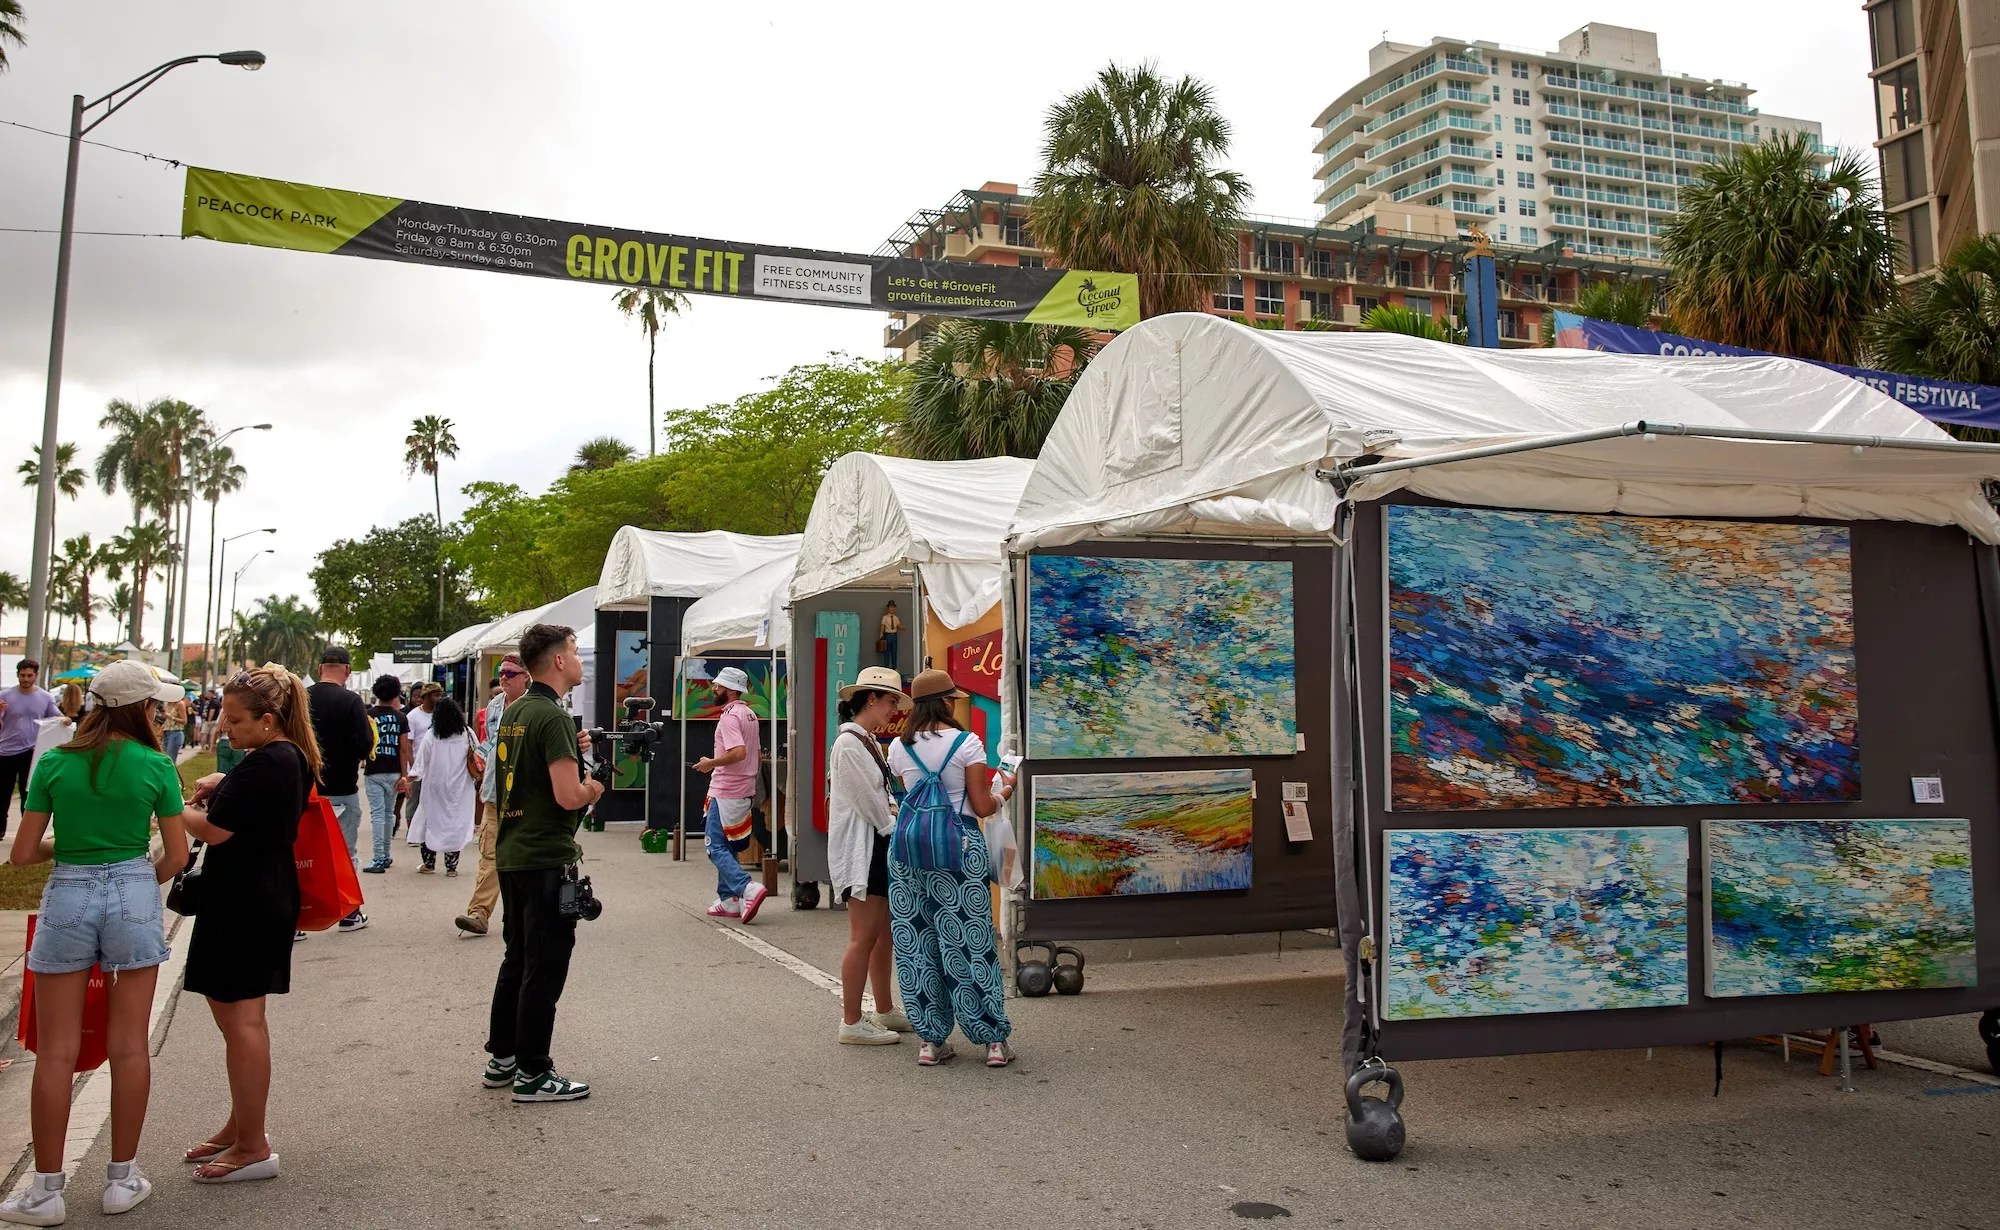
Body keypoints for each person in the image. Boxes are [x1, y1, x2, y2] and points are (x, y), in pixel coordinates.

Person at [0, 661, 190, 1224]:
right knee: (129, 1044)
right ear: (141, 708)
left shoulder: (55, 762)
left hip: (68, 896)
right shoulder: (157, 764)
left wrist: (71, 847)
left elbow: (22, 853)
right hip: (133, 890)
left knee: (55, 1050)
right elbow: (176, 858)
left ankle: (45, 1190)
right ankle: (121, 1179)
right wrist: (131, 876)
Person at [177, 664, 319, 1185]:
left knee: (242, 1022)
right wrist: (225, 778)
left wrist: (168, 805)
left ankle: (252, 1143)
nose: (225, 728)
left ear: (268, 719)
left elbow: (214, 830)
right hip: (253, 895)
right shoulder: (278, 756)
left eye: (235, 720)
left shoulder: (272, 762)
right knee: (236, 1021)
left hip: (248, 900)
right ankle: (241, 1125)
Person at [486, 623, 601, 1103]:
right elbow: (568, 793)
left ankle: (504, 1057)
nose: (578, 660)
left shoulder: (517, 711)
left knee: (518, 956)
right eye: (574, 651)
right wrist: (595, 788)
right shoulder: (552, 716)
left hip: (514, 853)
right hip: (545, 855)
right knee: (546, 964)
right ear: (557, 660)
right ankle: (534, 1071)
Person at [886, 669, 1016, 1068]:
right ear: (944, 702)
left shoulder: (897, 746)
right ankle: (993, 1041)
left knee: (918, 944)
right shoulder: (967, 743)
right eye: (953, 700)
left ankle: (930, 1040)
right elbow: (981, 806)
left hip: (908, 854)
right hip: (959, 850)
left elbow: (906, 795)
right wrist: (1005, 787)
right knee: (970, 943)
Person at [828, 666, 913, 1046]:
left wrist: (890, 816)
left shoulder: (865, 742)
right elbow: (868, 799)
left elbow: (879, 795)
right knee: (864, 936)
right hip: (865, 847)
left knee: (881, 935)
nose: (895, 708)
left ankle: (883, 1008)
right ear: (871, 699)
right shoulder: (850, 744)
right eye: (892, 701)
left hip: (874, 843)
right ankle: (851, 1021)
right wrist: (893, 826)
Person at [692, 666, 770, 922]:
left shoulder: (729, 717)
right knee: (729, 842)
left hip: (726, 788)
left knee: (714, 846)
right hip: (743, 789)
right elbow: (755, 755)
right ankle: (728, 899)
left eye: (719, 685)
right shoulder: (749, 714)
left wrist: (709, 763)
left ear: (730, 689)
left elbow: (738, 752)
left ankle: (746, 887)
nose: (714, 688)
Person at [457, 655, 526, 936]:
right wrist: (477, 757)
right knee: (489, 855)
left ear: (526, 676)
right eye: (501, 673)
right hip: (495, 793)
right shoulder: (496, 705)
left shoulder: (538, 706)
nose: (504, 678)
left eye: (510, 673)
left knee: (524, 859)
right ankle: (479, 913)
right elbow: (490, 741)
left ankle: (525, 917)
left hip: (525, 796)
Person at [306, 647, 374, 880]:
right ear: (347, 670)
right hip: (343, 789)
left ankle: (308, 908)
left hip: (305, 790)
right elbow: (365, 744)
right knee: (344, 853)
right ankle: (348, 909)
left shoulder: (301, 698)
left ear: (319, 669)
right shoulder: (352, 701)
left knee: (307, 855)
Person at [413, 697, 476, 876]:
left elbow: (420, 764)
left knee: (430, 823)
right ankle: (451, 867)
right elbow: (479, 755)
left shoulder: (432, 734)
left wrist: (410, 778)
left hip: (434, 787)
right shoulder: (467, 733)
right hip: (460, 788)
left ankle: (429, 864)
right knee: (455, 825)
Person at [0, 660, 61, 841]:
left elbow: (56, 717)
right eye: (22, 675)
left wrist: (64, 720)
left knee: (28, 792)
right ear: (18, 675)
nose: (25, 679)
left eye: (29, 675)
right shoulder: (5, 696)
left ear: (35, 675)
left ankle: (25, 832)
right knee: (2, 792)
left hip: (31, 752)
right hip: (5, 751)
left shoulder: (45, 697)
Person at [361, 676, 411, 877]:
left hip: (374, 770)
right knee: (389, 814)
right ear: (395, 694)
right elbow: (404, 749)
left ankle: (378, 856)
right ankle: (386, 854)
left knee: (378, 815)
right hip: (393, 771)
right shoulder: (400, 718)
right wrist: (404, 776)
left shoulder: (368, 716)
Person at [403, 683, 439, 851]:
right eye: (434, 695)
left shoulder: (440, 715)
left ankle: (429, 833)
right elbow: (408, 744)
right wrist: (412, 767)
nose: (438, 698)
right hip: (419, 766)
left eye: (440, 694)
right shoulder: (413, 716)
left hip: (436, 768)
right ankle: (412, 833)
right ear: (425, 697)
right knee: (414, 801)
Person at [879, 601, 903, 667]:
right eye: (891, 607)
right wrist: (881, 634)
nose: (892, 609)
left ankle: (894, 667)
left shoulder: (896, 618)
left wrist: (902, 627)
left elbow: (898, 625)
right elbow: (882, 626)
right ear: (888, 608)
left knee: (894, 651)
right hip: (887, 635)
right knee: (887, 651)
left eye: (893, 607)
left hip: (894, 635)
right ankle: (886, 666)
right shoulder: (885, 617)